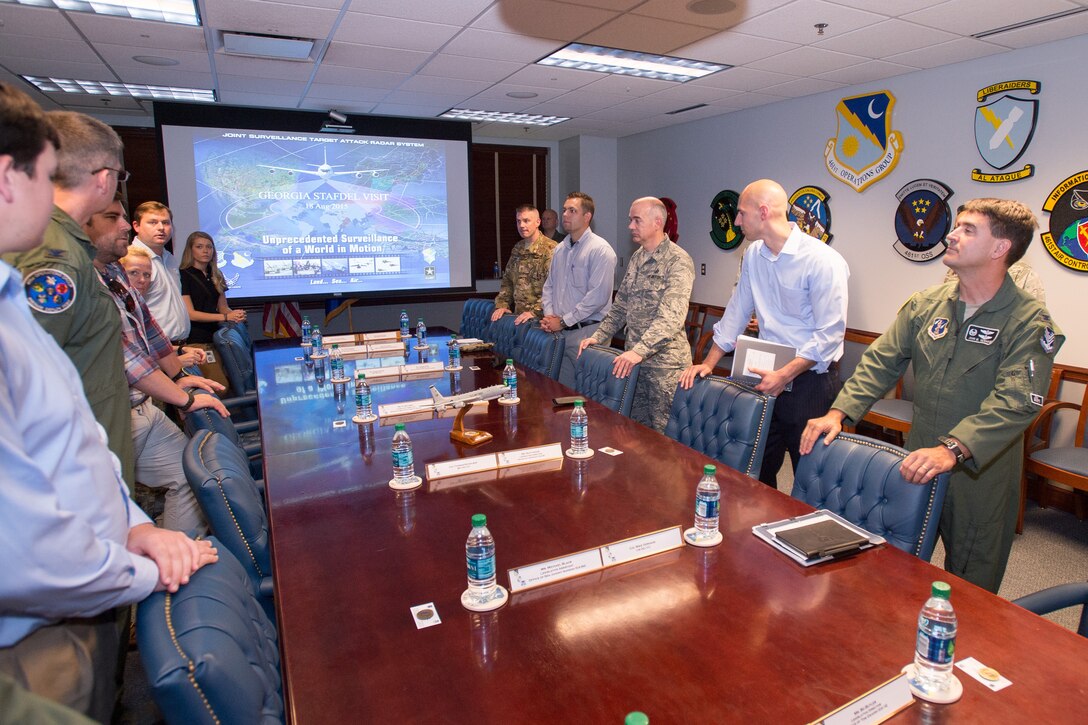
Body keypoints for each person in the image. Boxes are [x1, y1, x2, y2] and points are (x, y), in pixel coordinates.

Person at [0, 80, 217, 722]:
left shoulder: (23, 282)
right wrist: (140, 568)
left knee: (105, 689)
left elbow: (71, 424)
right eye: (44, 174)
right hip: (52, 607)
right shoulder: (52, 263)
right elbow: (24, 535)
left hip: (95, 557)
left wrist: (132, 525)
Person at [801, 198, 1063, 593]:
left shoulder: (1028, 320)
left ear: (1000, 248)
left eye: (968, 229)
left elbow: (1015, 401)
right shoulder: (925, 306)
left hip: (980, 472)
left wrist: (954, 449)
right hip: (917, 455)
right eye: (956, 226)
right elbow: (880, 362)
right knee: (894, 569)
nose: (952, 235)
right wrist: (839, 412)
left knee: (971, 586)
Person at [679, 179, 849, 487]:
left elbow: (829, 336)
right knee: (755, 468)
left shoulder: (822, 261)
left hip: (809, 381)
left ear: (764, 212)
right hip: (766, 375)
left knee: (809, 475)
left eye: (742, 213)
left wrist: (785, 375)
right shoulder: (754, 255)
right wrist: (709, 360)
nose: (737, 221)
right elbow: (737, 311)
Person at [2, 109, 137, 489]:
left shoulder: (64, 246)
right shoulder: (54, 255)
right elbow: (22, 382)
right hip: (69, 468)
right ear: (105, 178)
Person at [88, 198, 228, 536]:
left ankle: (178, 561)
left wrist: (179, 375)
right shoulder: (83, 278)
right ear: (84, 222)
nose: (125, 225)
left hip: (141, 406)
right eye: (113, 218)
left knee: (192, 476)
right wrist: (187, 399)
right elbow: (127, 358)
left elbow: (149, 330)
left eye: (125, 217)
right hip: (108, 416)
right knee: (107, 515)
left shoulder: (116, 271)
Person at [578, 197, 694, 432]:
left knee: (666, 440)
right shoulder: (637, 257)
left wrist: (638, 352)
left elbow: (671, 318)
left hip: (666, 369)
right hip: (634, 363)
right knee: (636, 434)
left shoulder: (678, 261)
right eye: (630, 220)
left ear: (657, 222)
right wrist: (598, 337)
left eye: (636, 220)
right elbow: (620, 307)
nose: (630, 225)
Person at [541, 192, 618, 388]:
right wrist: (550, 317)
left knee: (589, 394)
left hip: (587, 333)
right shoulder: (560, 249)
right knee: (561, 392)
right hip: (559, 332)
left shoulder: (600, 250)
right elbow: (549, 286)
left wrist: (564, 321)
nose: (565, 214)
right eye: (565, 210)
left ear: (587, 217)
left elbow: (597, 297)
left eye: (572, 211)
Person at [122, 247, 205, 367]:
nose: (142, 280)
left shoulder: (138, 307)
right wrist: (177, 363)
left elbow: (148, 348)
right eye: (133, 273)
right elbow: (130, 365)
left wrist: (181, 350)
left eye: (147, 275)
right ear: (118, 272)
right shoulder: (115, 309)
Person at [129, 201, 190, 344]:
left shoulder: (170, 259)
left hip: (179, 345)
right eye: (153, 222)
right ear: (136, 226)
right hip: (153, 348)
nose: (161, 228)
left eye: (166, 223)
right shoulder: (131, 260)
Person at [491, 205, 557, 324]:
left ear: (538, 222)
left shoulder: (551, 249)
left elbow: (555, 288)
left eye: (526, 221)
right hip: (518, 318)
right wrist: (502, 305)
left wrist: (535, 312)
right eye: (518, 221)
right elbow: (507, 282)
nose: (521, 225)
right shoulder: (518, 248)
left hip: (541, 320)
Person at [179, 231, 245, 343]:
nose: (205, 251)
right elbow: (191, 314)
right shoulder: (183, 275)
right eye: (199, 247)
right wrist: (225, 317)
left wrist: (236, 315)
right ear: (190, 250)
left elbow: (223, 307)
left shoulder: (216, 274)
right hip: (195, 337)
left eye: (209, 247)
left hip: (218, 334)